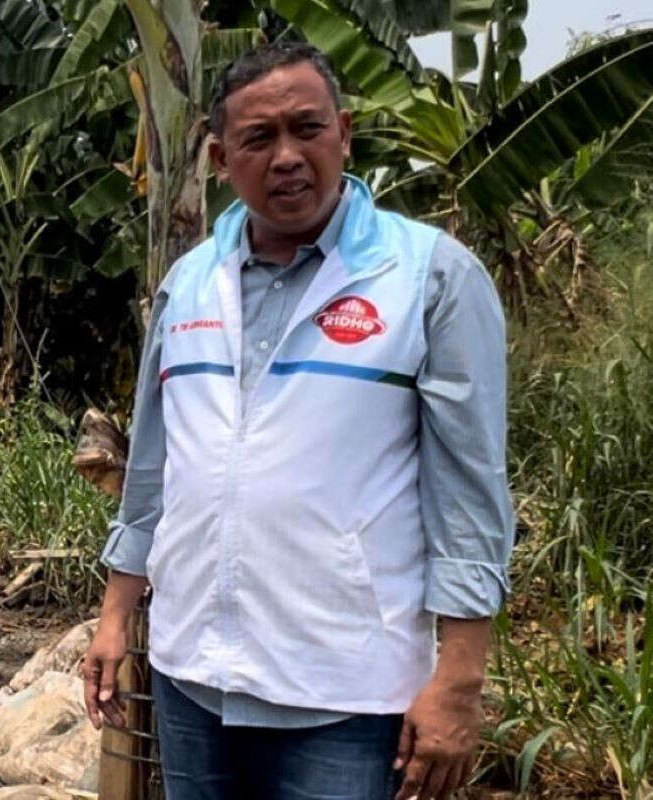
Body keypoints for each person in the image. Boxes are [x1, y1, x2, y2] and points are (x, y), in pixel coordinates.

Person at [80, 43, 513, 800]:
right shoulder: (188, 286)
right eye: (258, 139)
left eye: (307, 129)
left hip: (343, 690)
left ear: (344, 133)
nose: (287, 156)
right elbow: (151, 473)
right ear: (220, 157)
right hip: (191, 678)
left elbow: (471, 493)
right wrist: (115, 616)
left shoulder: (428, 278)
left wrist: (460, 678)